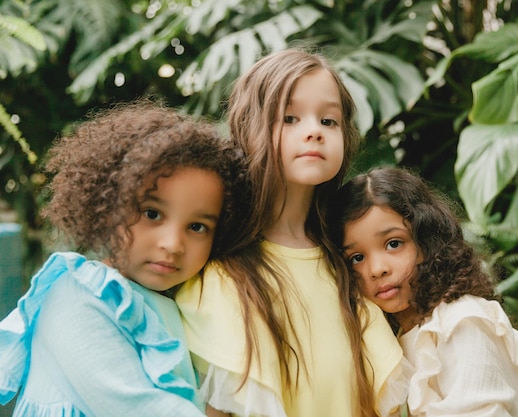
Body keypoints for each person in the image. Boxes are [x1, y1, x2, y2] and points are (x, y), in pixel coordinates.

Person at [176, 49, 409, 417]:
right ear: (250, 129)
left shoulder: (351, 265)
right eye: (290, 118)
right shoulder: (219, 274)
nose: (314, 130)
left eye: (329, 121)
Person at [0, 99, 242, 416]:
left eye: (197, 226)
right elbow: (135, 405)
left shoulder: (176, 301)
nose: (172, 244)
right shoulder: (77, 294)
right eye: (152, 213)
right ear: (106, 207)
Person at [332, 166, 518, 416]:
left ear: (427, 240)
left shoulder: (463, 320)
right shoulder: (388, 338)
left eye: (393, 244)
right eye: (357, 257)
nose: (377, 269)